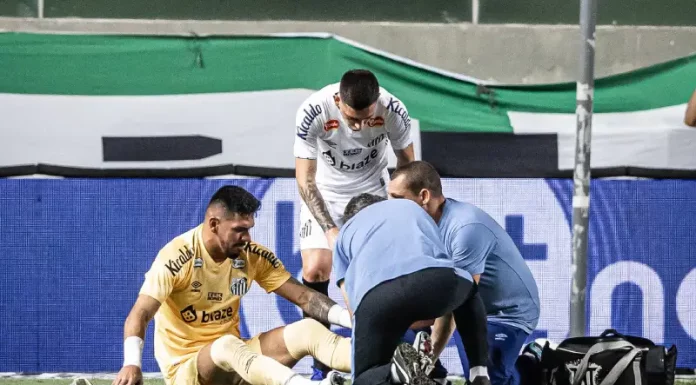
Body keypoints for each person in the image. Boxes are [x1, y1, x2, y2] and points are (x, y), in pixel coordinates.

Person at [113, 186, 353, 385]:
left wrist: (351, 319)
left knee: (307, 329)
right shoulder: (177, 256)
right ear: (214, 224)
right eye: (239, 230)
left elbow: (304, 297)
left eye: (248, 229)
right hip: (188, 371)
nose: (247, 238)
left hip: (239, 360)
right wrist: (132, 363)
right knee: (226, 345)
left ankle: (381, 362)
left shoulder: (250, 255)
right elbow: (140, 313)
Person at [294, 69, 416, 379]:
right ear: (338, 100)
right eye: (352, 120)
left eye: (367, 118)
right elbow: (304, 178)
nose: (361, 126)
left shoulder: (394, 110)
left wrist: (400, 210)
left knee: (382, 271)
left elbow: (407, 166)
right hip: (324, 194)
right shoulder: (313, 110)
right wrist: (329, 229)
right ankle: (321, 366)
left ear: (377, 101)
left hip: (373, 191)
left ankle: (393, 355)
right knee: (315, 269)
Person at [388, 161, 541, 385]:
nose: (389, 206)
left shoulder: (465, 229)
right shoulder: (416, 226)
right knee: (394, 326)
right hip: (463, 306)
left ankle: (533, 362)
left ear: (423, 196)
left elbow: (458, 305)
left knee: (486, 379)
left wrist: (428, 358)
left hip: (506, 314)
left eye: (397, 198)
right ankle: (435, 376)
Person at [333, 194, 492, 385]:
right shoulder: (410, 207)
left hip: (377, 297)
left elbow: (353, 307)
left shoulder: (345, 234)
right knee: (469, 291)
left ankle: (392, 372)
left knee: (366, 377)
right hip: (437, 281)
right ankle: (479, 371)